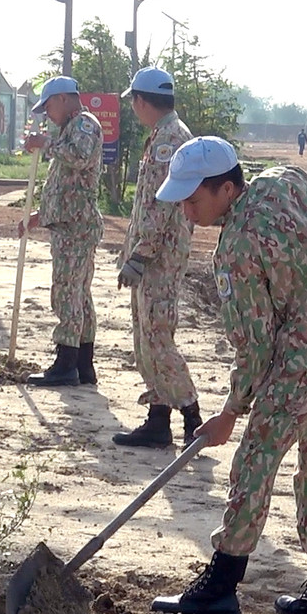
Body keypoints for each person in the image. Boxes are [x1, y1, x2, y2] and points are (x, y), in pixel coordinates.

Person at [148, 137, 307, 614]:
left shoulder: (235, 248)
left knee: (256, 455)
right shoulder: (283, 178)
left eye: (193, 200)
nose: (187, 212)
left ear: (227, 189)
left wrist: (232, 411)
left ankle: (221, 584)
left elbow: (254, 347)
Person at [114, 67, 203, 448]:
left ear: (142, 100)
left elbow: (160, 206)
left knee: (157, 337)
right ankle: (158, 417)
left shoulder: (170, 140)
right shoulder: (164, 136)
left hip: (159, 258)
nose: (133, 108)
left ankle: (192, 415)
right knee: (148, 337)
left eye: (133, 101)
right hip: (155, 255)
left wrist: (140, 254)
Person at [17, 76, 104, 387]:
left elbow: (80, 158)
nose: (48, 114)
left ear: (65, 99)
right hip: (69, 221)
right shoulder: (68, 130)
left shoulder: (83, 125)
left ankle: (67, 363)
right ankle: (82, 364)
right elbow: (67, 188)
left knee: (67, 292)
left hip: (76, 228)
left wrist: (46, 144)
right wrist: (40, 216)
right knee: (78, 294)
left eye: (49, 106)